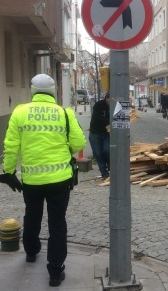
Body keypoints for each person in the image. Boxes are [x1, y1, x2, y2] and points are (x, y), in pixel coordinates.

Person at [1, 74, 86, 287]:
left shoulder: (19, 112)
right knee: (58, 222)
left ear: (32, 91)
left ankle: (31, 252)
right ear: (53, 91)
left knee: (32, 215)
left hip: (32, 181)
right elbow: (78, 142)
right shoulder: (64, 113)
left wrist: (8, 172)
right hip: (60, 180)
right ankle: (55, 271)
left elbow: (11, 147)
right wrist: (61, 149)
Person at [89, 93, 110, 179]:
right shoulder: (99, 105)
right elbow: (97, 118)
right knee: (98, 153)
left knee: (107, 150)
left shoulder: (116, 106)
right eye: (110, 100)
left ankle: (110, 167)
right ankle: (104, 173)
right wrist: (110, 121)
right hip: (95, 133)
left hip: (107, 133)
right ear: (107, 98)